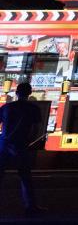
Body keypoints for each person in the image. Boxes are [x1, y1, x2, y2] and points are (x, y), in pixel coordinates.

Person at [0, 82, 43, 216]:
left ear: (16, 92)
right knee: (25, 177)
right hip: (21, 146)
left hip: (4, 145)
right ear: (29, 93)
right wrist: (28, 142)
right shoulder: (33, 109)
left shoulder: (6, 107)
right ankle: (30, 206)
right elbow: (35, 130)